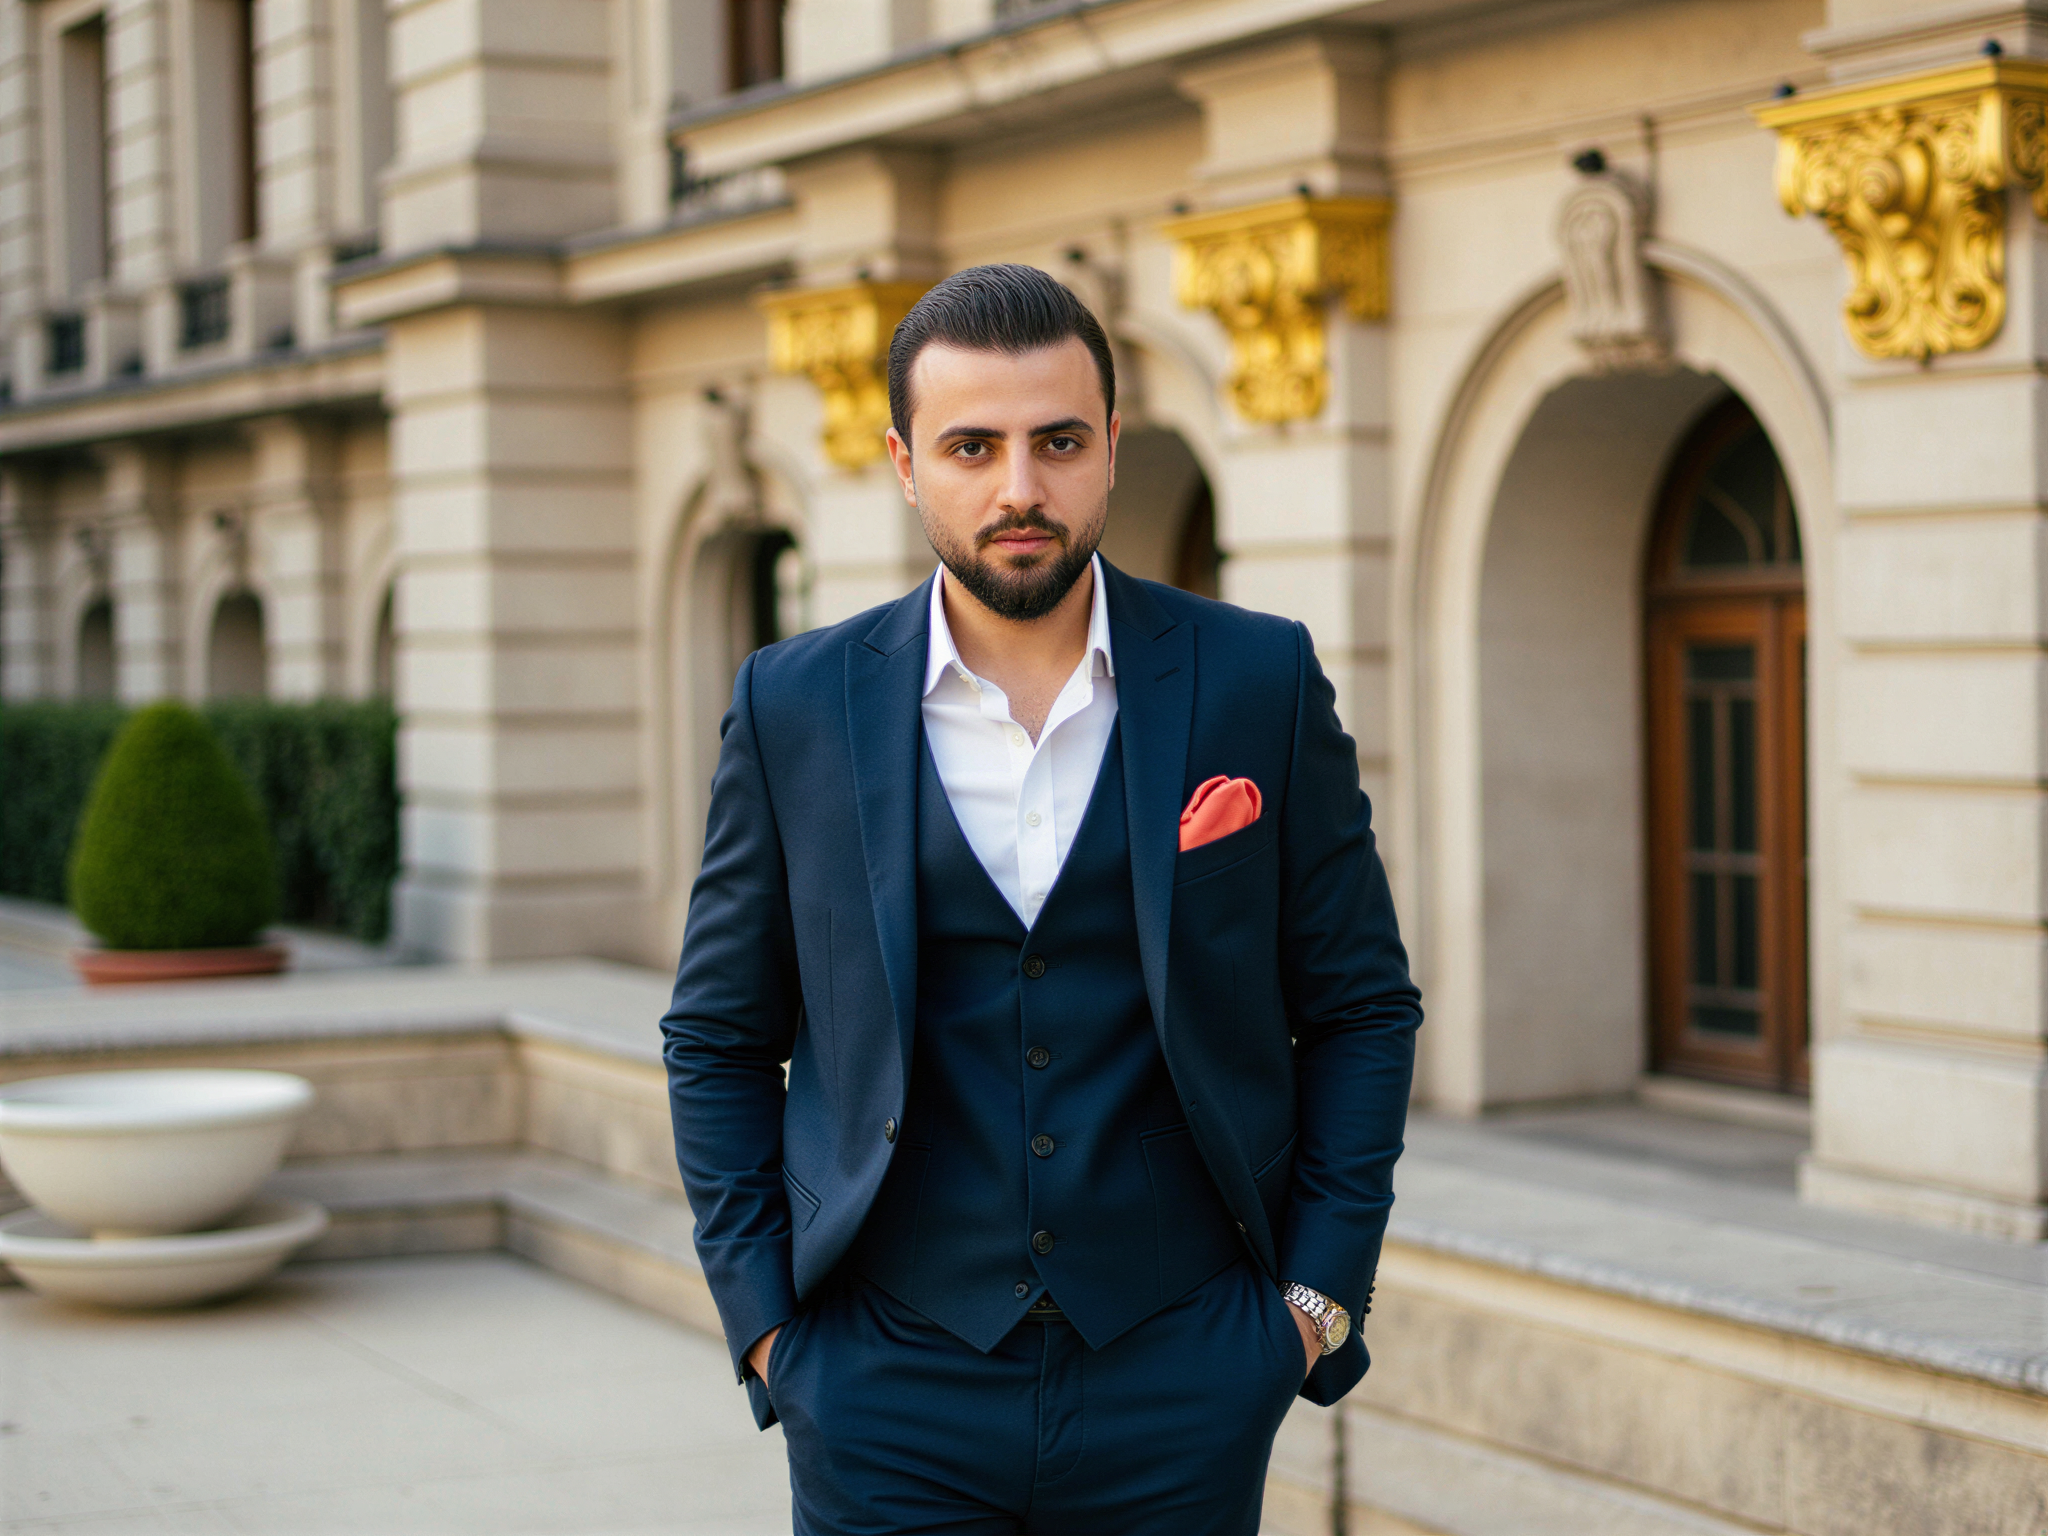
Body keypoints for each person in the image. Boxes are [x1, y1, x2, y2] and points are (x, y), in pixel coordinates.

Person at [660, 263, 1421, 1535]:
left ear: (1111, 448)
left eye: (1057, 441)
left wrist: (1310, 1310)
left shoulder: (1256, 680)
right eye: (972, 447)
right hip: (882, 1384)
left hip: (1184, 1373)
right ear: (905, 464)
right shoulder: (793, 706)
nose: (1019, 488)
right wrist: (768, 1336)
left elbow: (1360, 1008)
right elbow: (720, 1035)